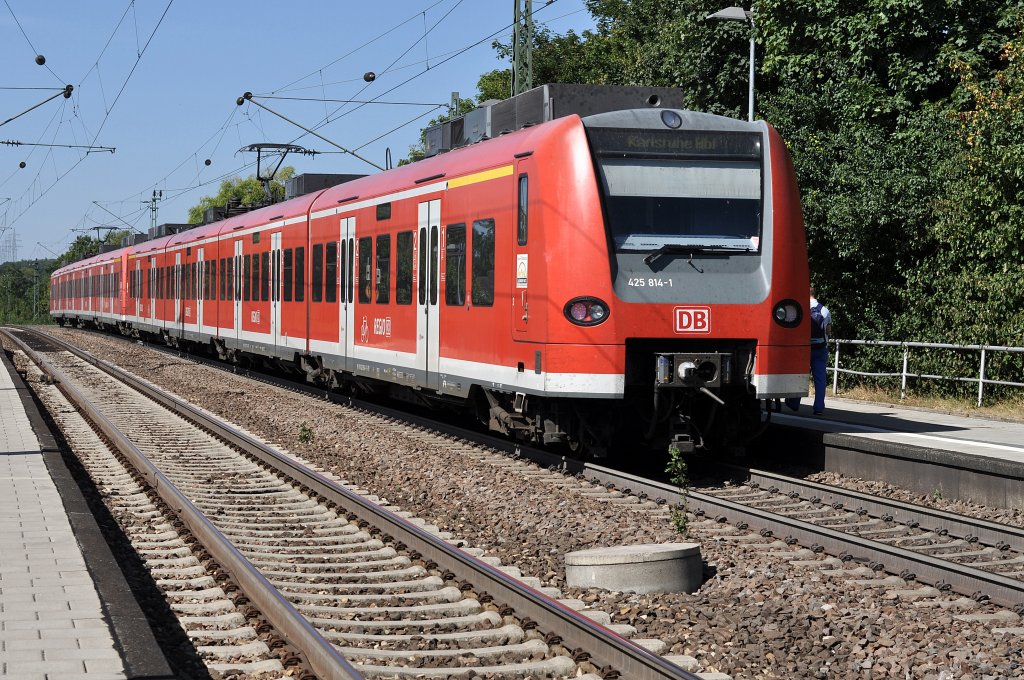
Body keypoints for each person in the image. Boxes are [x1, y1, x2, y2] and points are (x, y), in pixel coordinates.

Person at [786, 286, 832, 415]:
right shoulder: (824, 310)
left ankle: (794, 403)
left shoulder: (800, 309)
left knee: (800, 376)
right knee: (820, 379)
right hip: (820, 348)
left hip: (803, 349)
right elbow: (828, 331)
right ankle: (818, 408)